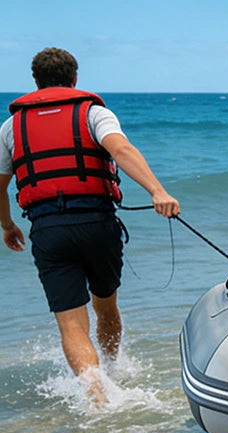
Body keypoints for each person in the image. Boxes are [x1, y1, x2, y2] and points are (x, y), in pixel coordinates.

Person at [0, 47, 180, 401]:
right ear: (75, 79)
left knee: (71, 324)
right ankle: (113, 369)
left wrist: (6, 225)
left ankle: (97, 394)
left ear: (35, 83)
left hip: (48, 230)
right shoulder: (94, 113)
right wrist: (158, 192)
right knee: (106, 306)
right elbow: (122, 150)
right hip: (97, 224)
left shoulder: (11, 127)